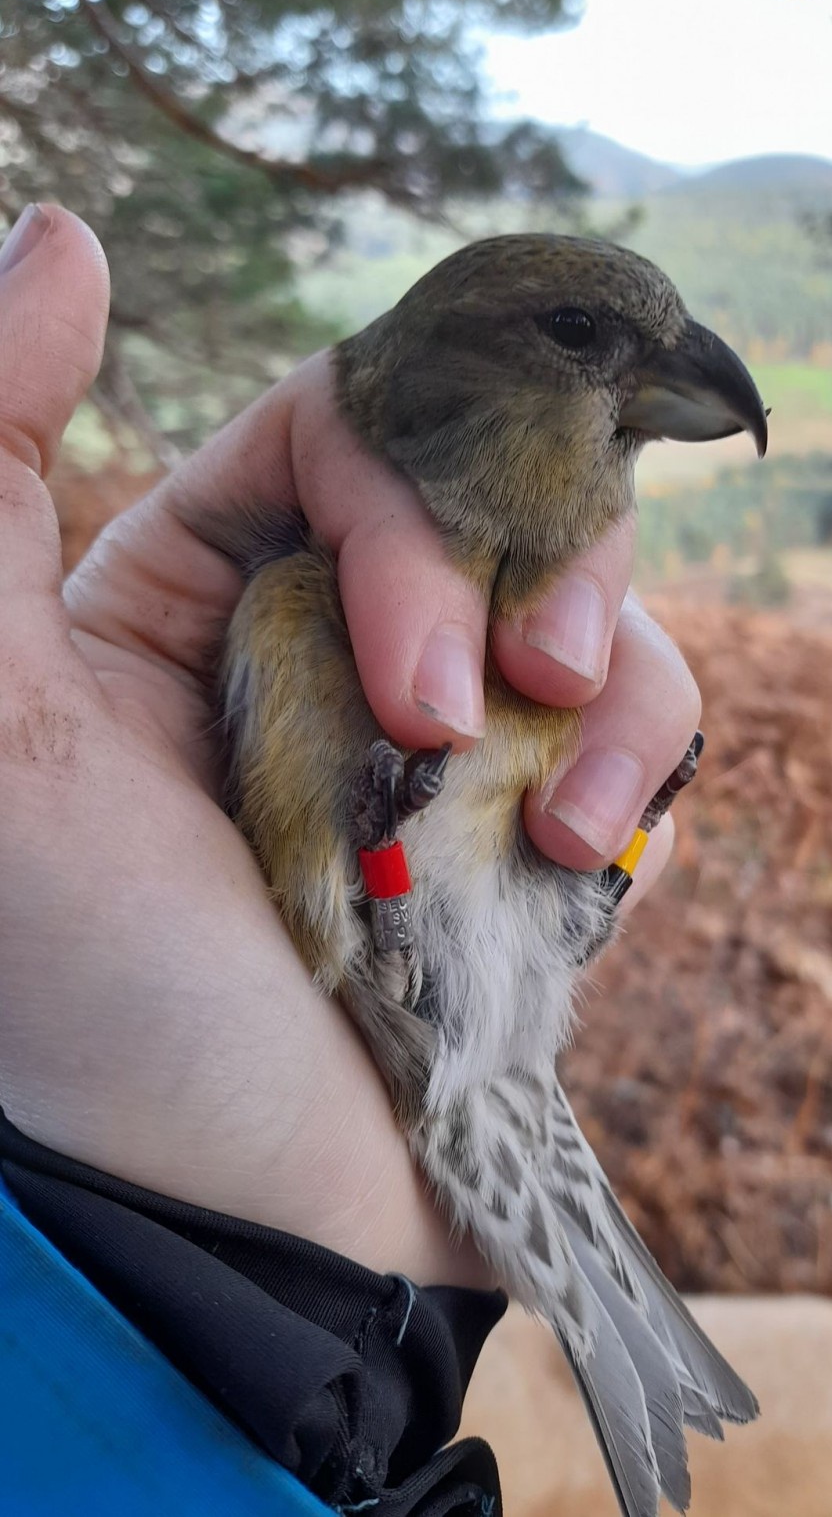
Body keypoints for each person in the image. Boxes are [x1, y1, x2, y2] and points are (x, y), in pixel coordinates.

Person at [0, 204, 700, 1512]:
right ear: (454, 365)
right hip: (362, 1032)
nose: (660, 387)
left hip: (417, 1108)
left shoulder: (505, 601)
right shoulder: (281, 593)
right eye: (581, 341)